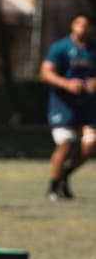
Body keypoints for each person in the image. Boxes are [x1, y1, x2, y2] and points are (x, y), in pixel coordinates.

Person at [39, 14, 96, 201]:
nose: (83, 27)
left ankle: (65, 175)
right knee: (65, 145)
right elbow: (45, 73)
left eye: (86, 24)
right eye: (79, 23)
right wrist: (66, 84)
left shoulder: (93, 50)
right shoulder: (60, 48)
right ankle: (53, 187)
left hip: (87, 106)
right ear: (72, 26)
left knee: (90, 147)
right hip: (63, 104)